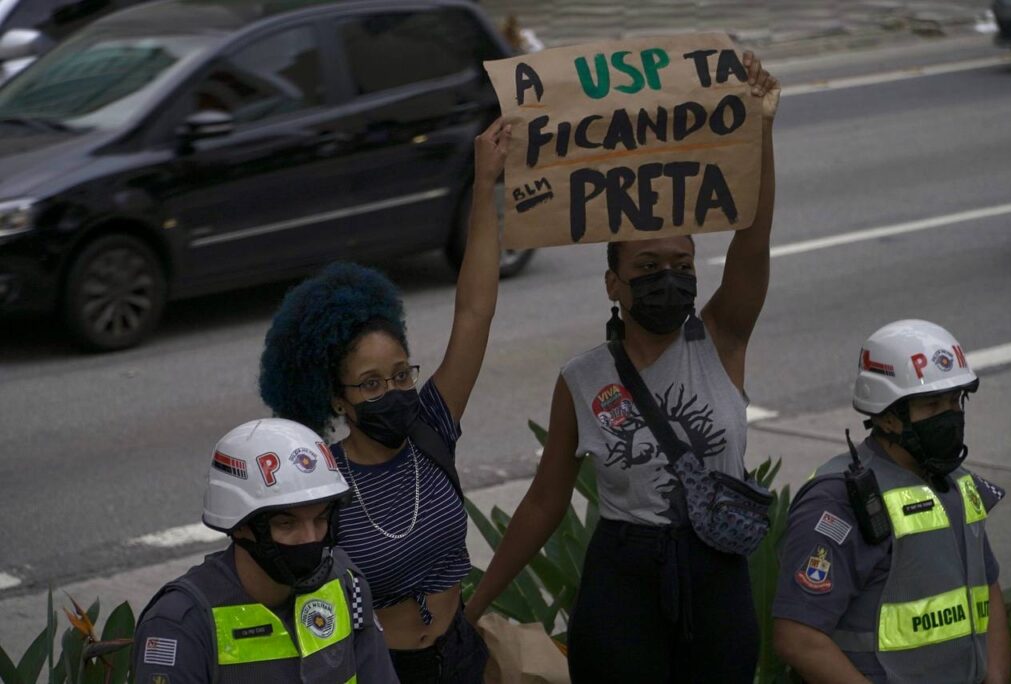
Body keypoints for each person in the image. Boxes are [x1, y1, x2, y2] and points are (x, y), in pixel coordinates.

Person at [464, 53, 780, 682]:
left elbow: (754, 237)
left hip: (715, 574)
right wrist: (473, 605)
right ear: (613, 283)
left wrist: (762, 130)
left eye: (682, 266)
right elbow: (545, 501)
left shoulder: (721, 339)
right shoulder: (582, 379)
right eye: (647, 269)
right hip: (623, 582)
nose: (669, 280)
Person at [257, 118, 510, 683]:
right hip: (381, 670)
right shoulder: (322, 481)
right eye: (371, 383)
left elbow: (475, 309)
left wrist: (484, 181)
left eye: (401, 375)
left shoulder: (432, 426)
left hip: (461, 657)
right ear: (338, 399)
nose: (393, 392)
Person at [772, 320, 1011, 684]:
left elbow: (988, 588)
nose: (949, 416)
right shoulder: (839, 500)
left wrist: (996, 678)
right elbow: (798, 637)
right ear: (886, 415)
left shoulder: (958, 483)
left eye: (954, 401)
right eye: (931, 405)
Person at [133, 418, 398, 683]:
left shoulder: (346, 584)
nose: (310, 538)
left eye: (320, 519)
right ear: (240, 527)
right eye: (286, 523)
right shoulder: (180, 626)